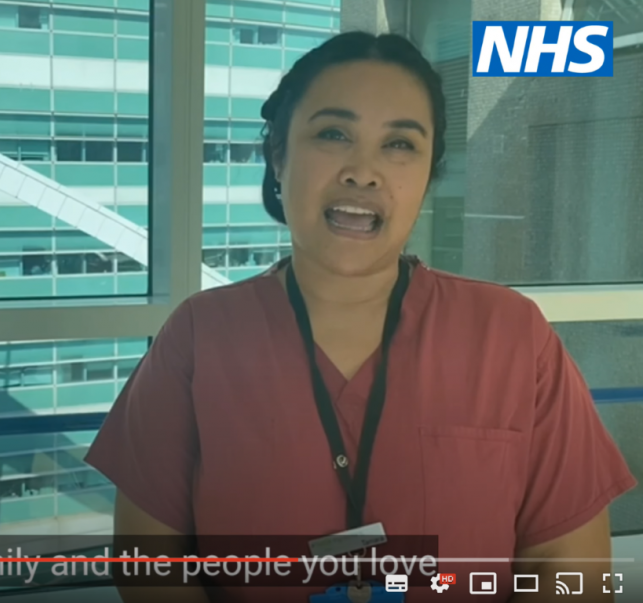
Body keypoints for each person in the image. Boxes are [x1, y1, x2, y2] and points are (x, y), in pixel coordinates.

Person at [84, 31, 636, 603]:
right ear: (278, 156)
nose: (363, 171)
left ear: (428, 175)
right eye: (333, 134)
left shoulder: (512, 336)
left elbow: (568, 567)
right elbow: (151, 562)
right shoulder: (200, 337)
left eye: (400, 144)